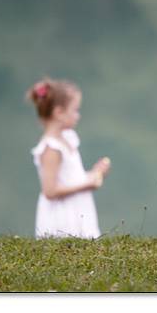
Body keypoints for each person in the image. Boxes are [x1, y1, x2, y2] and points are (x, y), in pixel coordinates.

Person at [27, 78, 111, 239]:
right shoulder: (51, 148)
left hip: (77, 208)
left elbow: (70, 178)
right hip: (62, 215)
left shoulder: (68, 139)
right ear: (59, 113)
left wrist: (94, 173)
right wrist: (87, 184)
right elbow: (50, 191)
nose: (78, 115)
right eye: (75, 110)